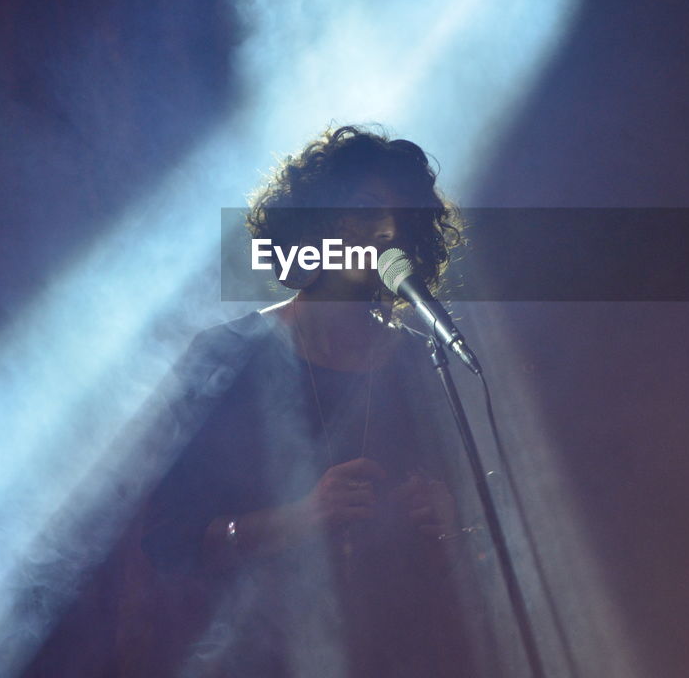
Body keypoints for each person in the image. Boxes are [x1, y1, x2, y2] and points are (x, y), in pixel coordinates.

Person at [129, 124, 487, 677]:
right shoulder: (227, 356)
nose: (388, 230)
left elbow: (480, 544)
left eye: (402, 219)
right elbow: (168, 542)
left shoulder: (424, 364)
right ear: (312, 220)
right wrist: (302, 518)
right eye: (367, 209)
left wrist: (454, 522)